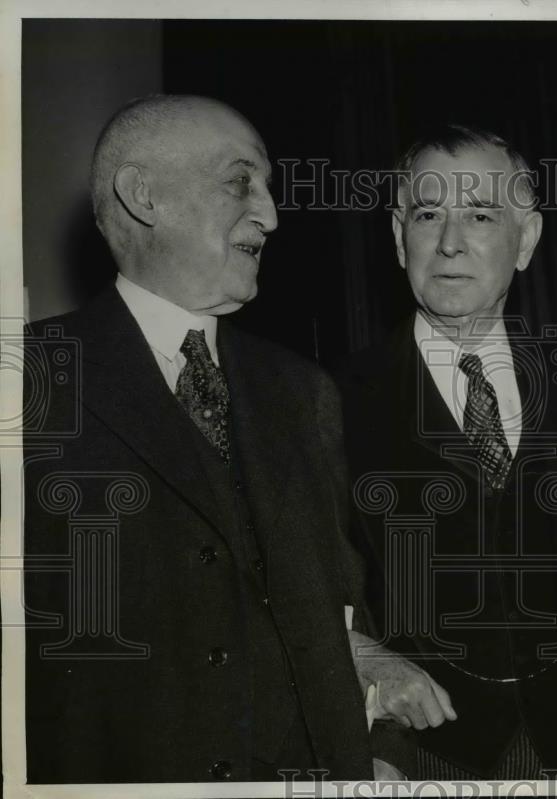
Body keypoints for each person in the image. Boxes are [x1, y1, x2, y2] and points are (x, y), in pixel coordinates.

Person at [23, 94, 410, 783]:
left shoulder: (303, 390)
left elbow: (348, 610)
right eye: (240, 181)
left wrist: (379, 750)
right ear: (145, 195)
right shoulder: (29, 380)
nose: (270, 212)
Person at [338, 125, 557, 780]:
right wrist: (360, 658)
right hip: (420, 751)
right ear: (398, 233)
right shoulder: (331, 400)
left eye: (481, 214)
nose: (451, 241)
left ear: (528, 239)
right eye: (428, 214)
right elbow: (300, 589)